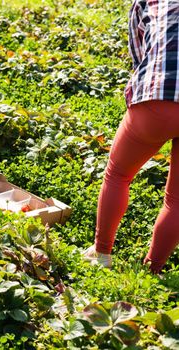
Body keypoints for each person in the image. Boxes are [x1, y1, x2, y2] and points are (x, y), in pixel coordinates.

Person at [83, 0, 179, 273]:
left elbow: (140, 57)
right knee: (177, 199)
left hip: (158, 98)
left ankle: (101, 253)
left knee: (118, 174)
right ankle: (154, 268)